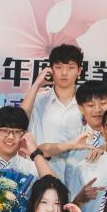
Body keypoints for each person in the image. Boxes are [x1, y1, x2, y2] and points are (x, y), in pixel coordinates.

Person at [22, 44, 84, 180]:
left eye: (71, 68)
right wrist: (36, 85)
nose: (64, 73)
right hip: (42, 172)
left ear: (79, 70)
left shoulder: (88, 103)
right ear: (50, 69)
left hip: (79, 176)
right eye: (58, 67)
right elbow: (19, 122)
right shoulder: (38, 99)